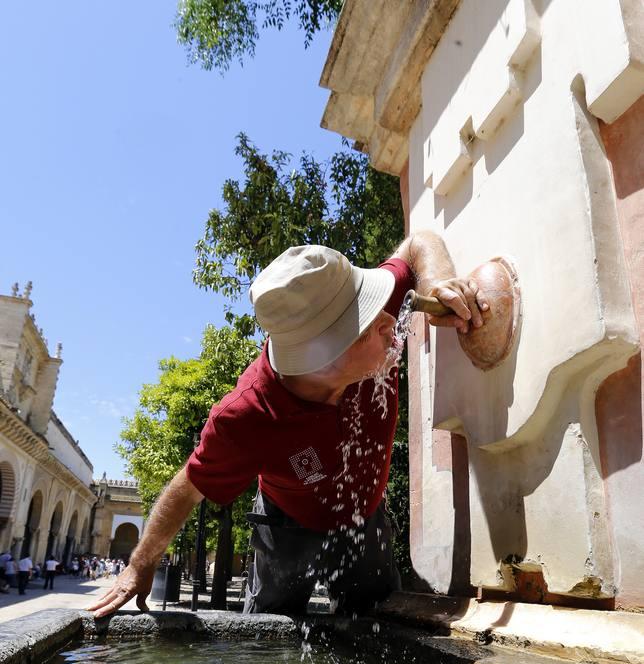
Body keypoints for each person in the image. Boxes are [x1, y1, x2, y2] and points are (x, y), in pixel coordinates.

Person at [89, 232, 488, 619]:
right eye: (369, 322)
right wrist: (139, 566)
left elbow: (419, 243)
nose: (391, 322)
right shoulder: (247, 415)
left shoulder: (384, 309)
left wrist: (437, 281)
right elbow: (188, 486)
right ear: (326, 357)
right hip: (285, 526)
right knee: (268, 638)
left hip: (365, 518)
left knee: (379, 627)